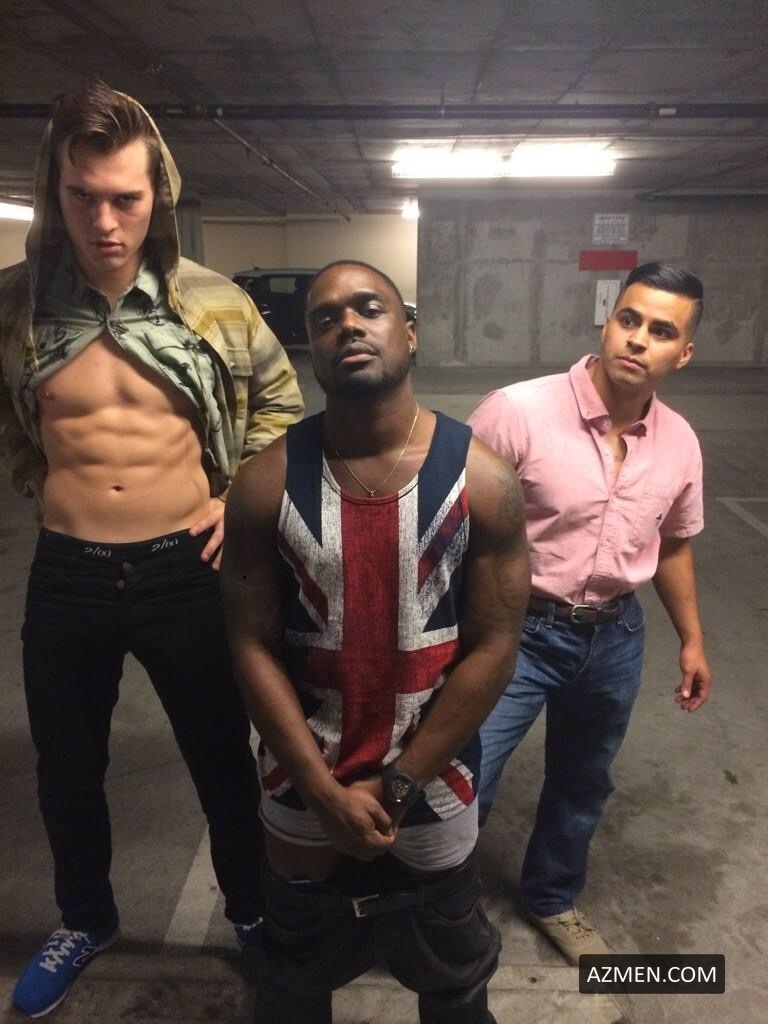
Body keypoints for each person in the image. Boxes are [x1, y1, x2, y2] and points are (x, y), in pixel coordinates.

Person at [0, 83, 304, 1018]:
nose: (104, 222)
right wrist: (40, 481)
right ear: (54, 191)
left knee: (221, 757)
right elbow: (7, 424)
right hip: (68, 576)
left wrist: (233, 498)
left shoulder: (211, 301)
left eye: (125, 199)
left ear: (156, 197)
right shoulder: (14, 305)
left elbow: (282, 406)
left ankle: (250, 911)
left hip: (188, 569)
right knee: (66, 770)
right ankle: (85, 919)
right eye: (83, 196)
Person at [220, 259, 531, 1024]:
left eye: (369, 308)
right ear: (310, 345)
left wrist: (400, 783)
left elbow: (496, 646)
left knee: (454, 984)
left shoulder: (484, 479)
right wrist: (321, 791)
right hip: (303, 781)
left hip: (435, 780)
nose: (349, 325)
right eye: (326, 318)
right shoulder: (264, 482)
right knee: (295, 983)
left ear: (410, 333)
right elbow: (251, 644)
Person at [467, 261, 712, 964]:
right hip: (515, 630)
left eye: (661, 330)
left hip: (614, 636)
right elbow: (451, 525)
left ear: (683, 353)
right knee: (465, 779)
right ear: (607, 322)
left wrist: (692, 640)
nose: (637, 339)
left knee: (584, 779)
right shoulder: (517, 412)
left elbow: (673, 542)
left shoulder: (680, 441)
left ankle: (551, 896)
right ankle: (433, 909)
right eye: (629, 319)